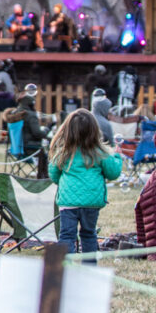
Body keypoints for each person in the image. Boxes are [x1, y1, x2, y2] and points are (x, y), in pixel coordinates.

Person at [48, 109, 123, 257]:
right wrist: (118, 156)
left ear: (67, 130)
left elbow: (54, 175)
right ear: (94, 130)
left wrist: (64, 185)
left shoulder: (63, 152)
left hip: (68, 202)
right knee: (89, 234)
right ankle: (89, 268)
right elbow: (113, 173)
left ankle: (65, 268)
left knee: (66, 236)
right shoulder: (100, 152)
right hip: (91, 202)